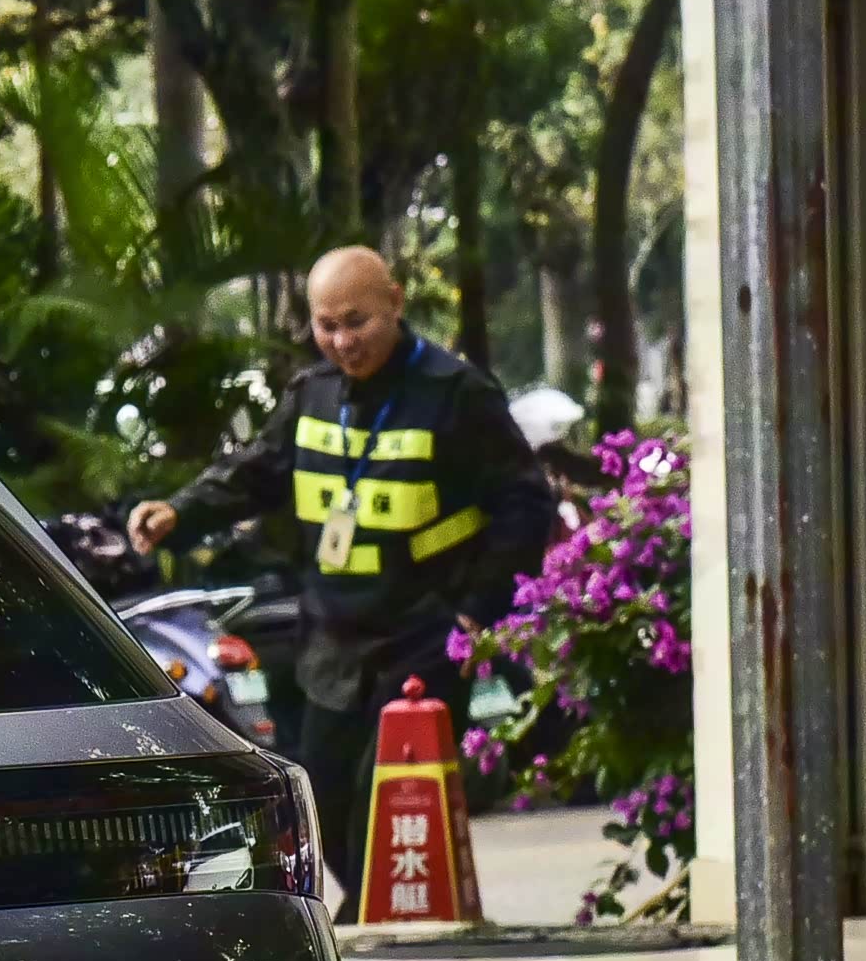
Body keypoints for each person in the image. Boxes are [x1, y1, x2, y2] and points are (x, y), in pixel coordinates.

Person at [128, 246, 557, 920]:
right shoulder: (313, 394)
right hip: (333, 632)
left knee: (385, 793)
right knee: (323, 793)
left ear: (396, 302)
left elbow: (525, 504)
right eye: (326, 326)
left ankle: (376, 919)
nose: (342, 341)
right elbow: (256, 472)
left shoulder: (457, 394)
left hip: (425, 630)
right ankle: (379, 911)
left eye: (357, 322)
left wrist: (477, 611)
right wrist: (179, 513)